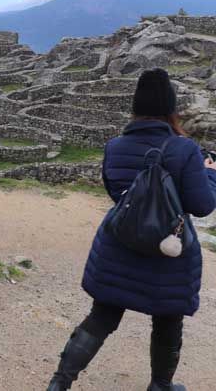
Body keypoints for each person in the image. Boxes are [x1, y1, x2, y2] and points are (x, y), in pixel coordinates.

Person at [46, 68, 216, 391]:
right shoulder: (185, 149)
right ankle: (160, 385)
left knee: (102, 317)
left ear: (136, 105)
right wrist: (210, 174)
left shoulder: (115, 146)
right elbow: (202, 205)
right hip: (168, 252)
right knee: (168, 321)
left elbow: (116, 192)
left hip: (121, 244)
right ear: (171, 107)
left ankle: (59, 382)